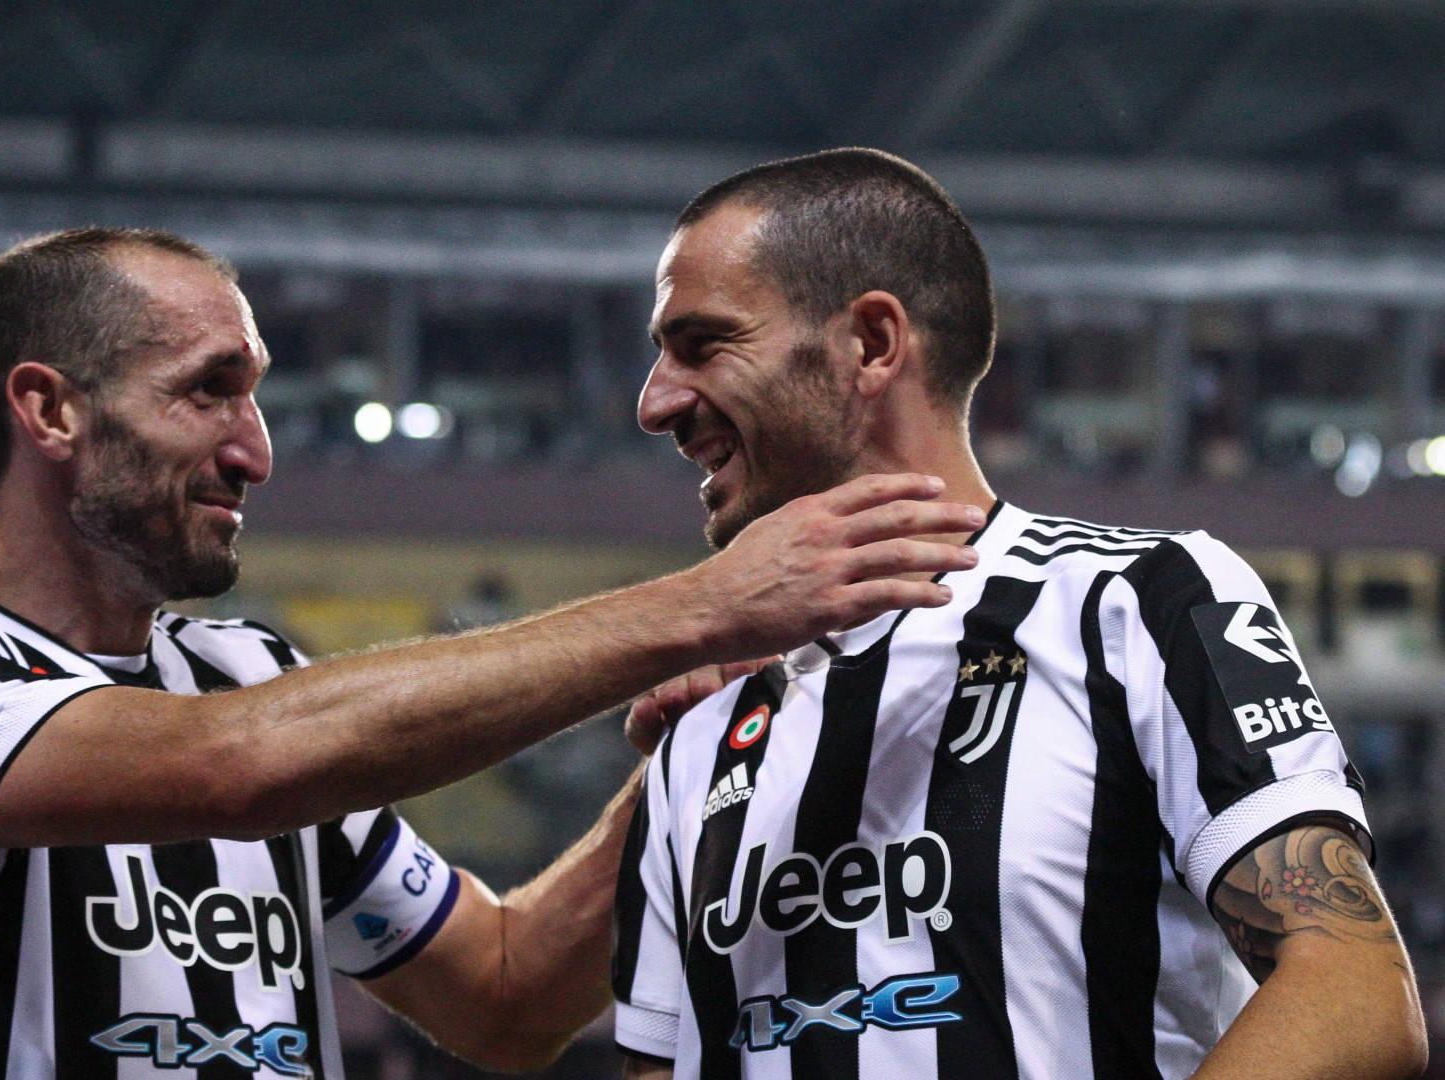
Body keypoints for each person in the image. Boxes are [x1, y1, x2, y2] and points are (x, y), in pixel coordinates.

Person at [0, 227, 984, 1079]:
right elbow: (232, 774)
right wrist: (705, 606)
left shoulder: (243, 674)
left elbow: (504, 998)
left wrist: (681, 776)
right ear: (51, 410)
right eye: (209, 392)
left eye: (256, 395)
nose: (257, 449)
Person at [610, 149, 1426, 1080]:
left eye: (703, 343)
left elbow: (1354, 992)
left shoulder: (1137, 604)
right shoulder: (696, 732)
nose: (655, 402)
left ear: (872, 344)